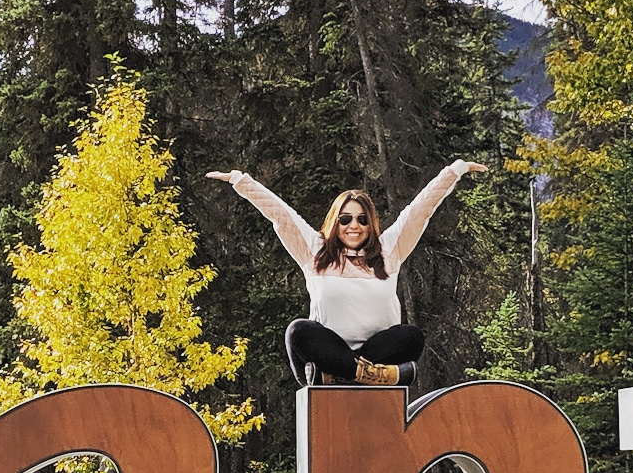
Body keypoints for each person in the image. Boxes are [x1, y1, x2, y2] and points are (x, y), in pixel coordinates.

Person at [207, 161, 488, 385]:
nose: (354, 225)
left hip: (379, 354)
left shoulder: (389, 250)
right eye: (346, 219)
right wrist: (240, 181)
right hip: (325, 357)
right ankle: (362, 376)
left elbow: (419, 212)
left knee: (411, 336)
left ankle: (343, 376)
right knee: (298, 331)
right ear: (335, 222)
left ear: (371, 223)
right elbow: (281, 215)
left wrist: (454, 172)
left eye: (362, 219)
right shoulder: (315, 251)